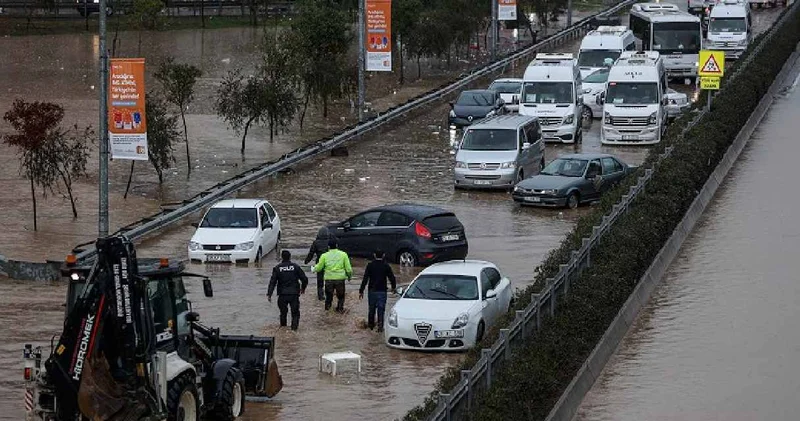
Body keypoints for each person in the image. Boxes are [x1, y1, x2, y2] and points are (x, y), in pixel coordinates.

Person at [267, 250, 308, 331]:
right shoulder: (295, 267)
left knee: (283, 313)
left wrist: (269, 294)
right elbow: (304, 279)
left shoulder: (277, 268)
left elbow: (273, 282)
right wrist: (303, 288)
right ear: (290, 257)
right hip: (294, 294)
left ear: (282, 257)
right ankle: (294, 331)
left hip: (282, 295)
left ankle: (283, 330)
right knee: (295, 313)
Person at [359, 249, 397, 332]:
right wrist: (393, 288)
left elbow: (365, 279)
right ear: (383, 255)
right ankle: (380, 328)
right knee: (381, 310)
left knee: (371, 310)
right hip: (382, 291)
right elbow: (392, 278)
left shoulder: (370, 265)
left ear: (374, 255)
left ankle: (370, 327)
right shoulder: (386, 265)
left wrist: (361, 291)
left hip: (372, 291)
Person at [313, 238, 352, 313]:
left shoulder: (324, 256)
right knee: (341, 297)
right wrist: (349, 277)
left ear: (328, 247)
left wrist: (313, 269)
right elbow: (349, 269)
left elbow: (319, 268)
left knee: (328, 298)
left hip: (329, 280)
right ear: (337, 245)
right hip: (340, 280)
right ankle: (340, 310)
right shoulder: (343, 255)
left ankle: (327, 312)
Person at [304, 227, 337, 301]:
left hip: (319, 263)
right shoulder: (330, 241)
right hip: (330, 263)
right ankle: (329, 294)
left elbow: (311, 253)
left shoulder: (316, 242)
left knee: (320, 281)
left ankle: (320, 296)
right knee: (329, 280)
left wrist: (306, 261)